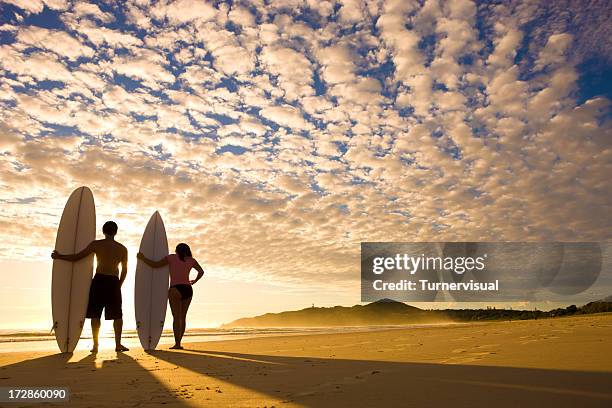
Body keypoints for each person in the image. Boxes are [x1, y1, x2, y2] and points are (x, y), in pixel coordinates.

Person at [52, 221, 129, 353]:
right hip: (113, 282)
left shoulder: (96, 244)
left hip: (99, 281)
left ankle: (96, 345)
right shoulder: (122, 248)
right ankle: (118, 344)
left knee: (95, 314)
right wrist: (119, 285)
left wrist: (60, 256)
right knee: (117, 315)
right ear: (115, 232)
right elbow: (124, 270)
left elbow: (77, 257)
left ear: (103, 231)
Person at [137, 243, 204, 349]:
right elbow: (201, 271)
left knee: (176, 317)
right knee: (183, 317)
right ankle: (179, 343)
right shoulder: (191, 260)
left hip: (175, 289)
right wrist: (195, 281)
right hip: (188, 289)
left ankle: (177, 344)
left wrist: (143, 258)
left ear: (177, 250)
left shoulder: (171, 258)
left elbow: (155, 265)